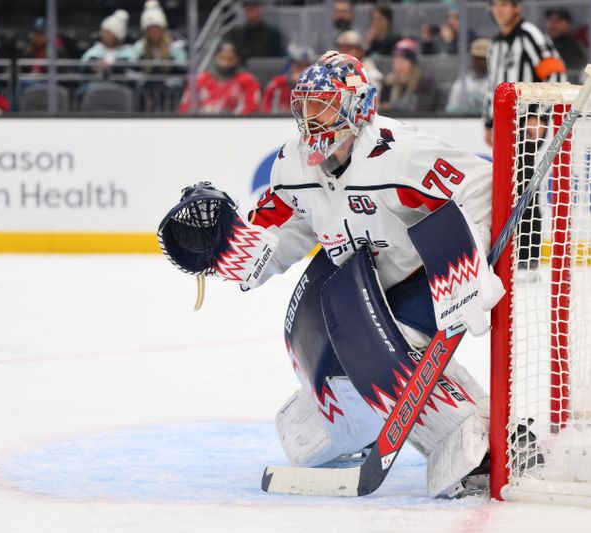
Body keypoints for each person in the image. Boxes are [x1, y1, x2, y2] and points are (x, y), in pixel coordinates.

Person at [159, 51, 506, 498]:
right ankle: (348, 430)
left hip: (422, 274)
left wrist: (463, 260)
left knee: (386, 353)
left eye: (323, 105)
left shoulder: (401, 155)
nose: (311, 118)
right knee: (325, 366)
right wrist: (236, 251)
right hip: (361, 282)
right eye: (305, 106)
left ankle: (477, 447)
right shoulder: (293, 165)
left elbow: (482, 187)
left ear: (357, 107)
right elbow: (281, 230)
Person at [483, 0, 566, 268]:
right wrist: (488, 122)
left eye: (505, 4)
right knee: (509, 185)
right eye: (496, 5)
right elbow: (492, 85)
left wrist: (539, 115)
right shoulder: (495, 44)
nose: (500, 10)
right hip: (506, 125)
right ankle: (516, 251)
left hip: (528, 122)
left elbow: (555, 74)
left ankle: (528, 254)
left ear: (517, 7)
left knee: (524, 183)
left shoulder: (530, 34)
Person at [133, 0, 188, 111]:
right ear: (146, 31)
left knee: (171, 91)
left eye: (157, 28)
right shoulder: (139, 47)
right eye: (151, 29)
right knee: (140, 91)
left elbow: (183, 66)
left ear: (163, 29)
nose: (154, 31)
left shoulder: (174, 45)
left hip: (170, 81)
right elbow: (132, 64)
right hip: (147, 81)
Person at [178, 41, 260, 115]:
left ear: (238, 60)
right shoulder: (200, 79)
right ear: (216, 57)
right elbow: (186, 107)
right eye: (222, 57)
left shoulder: (248, 80)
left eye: (230, 59)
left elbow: (251, 108)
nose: (225, 63)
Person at [380, 38, 438, 112]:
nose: (398, 65)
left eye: (403, 61)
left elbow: (422, 109)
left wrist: (393, 108)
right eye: (396, 61)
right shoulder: (388, 83)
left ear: (412, 63)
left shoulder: (424, 82)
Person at [261, 45, 315, 114]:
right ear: (292, 66)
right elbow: (265, 108)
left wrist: (303, 87)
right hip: (277, 121)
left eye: (306, 67)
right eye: (298, 66)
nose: (302, 70)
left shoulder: (317, 86)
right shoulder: (278, 83)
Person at [445, 38, 489, 114]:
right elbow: (451, 111)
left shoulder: (497, 83)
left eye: (482, 58)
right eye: (475, 58)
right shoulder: (462, 83)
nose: (477, 62)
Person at [544, 7, 586, 72]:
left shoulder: (572, 47)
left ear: (568, 24)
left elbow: (574, 71)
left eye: (557, 20)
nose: (552, 24)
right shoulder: (544, 43)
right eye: (550, 20)